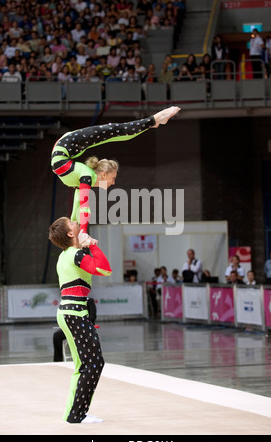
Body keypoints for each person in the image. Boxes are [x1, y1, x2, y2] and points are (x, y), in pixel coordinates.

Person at [51, 106, 181, 242]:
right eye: (113, 178)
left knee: (114, 132)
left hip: (65, 146)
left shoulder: (85, 176)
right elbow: (82, 207)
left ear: (103, 175)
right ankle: (153, 121)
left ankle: (154, 120)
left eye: (113, 178)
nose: (113, 182)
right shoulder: (85, 175)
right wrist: (81, 233)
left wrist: (79, 234)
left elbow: (80, 208)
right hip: (65, 146)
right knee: (114, 133)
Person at [49, 216, 112, 424]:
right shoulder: (75, 254)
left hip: (72, 313)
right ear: (69, 233)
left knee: (86, 364)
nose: (76, 222)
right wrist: (92, 245)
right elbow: (104, 269)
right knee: (93, 364)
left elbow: (80, 212)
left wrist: (82, 188)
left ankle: (75, 412)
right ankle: (77, 414)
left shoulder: (66, 254)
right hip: (74, 314)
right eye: (72, 223)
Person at [53, 297, 97, 362]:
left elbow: (92, 317)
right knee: (57, 336)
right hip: (72, 327)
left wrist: (80, 323)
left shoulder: (89, 301)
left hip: (84, 327)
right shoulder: (72, 301)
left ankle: (86, 360)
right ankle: (58, 360)